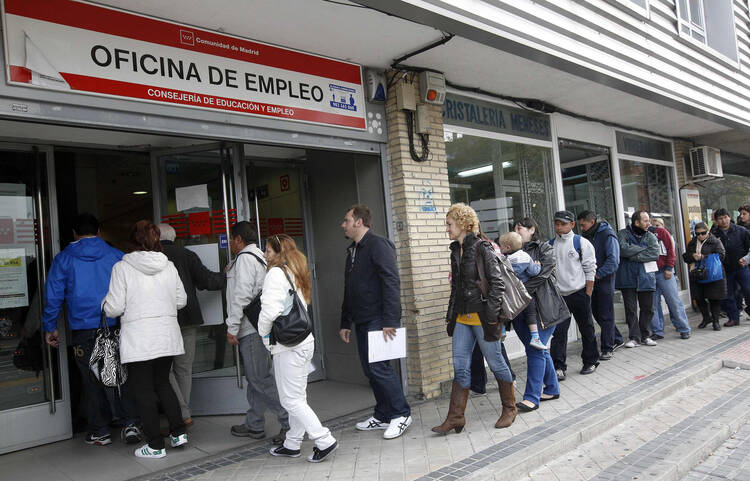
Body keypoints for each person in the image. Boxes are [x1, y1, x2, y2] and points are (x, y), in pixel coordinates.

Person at [43, 213, 142, 446]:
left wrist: (50, 327)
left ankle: (100, 430)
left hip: (83, 328)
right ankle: (131, 424)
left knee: (91, 379)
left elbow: (53, 295)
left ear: (74, 234)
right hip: (117, 324)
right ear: (99, 232)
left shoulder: (63, 259)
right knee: (122, 374)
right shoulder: (117, 255)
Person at [102, 221, 187, 459]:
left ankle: (156, 444)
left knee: (143, 392)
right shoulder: (168, 266)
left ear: (132, 241)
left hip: (139, 339)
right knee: (163, 383)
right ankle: (178, 432)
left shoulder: (122, 268)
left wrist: (104, 305)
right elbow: (181, 301)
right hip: (166, 334)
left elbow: (115, 307)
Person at [433, 203, 516, 434]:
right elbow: (456, 288)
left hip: (482, 318)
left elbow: (497, 284)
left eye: (449, 224)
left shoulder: (483, 248)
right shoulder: (455, 250)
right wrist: (451, 315)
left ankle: (509, 409)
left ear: (462, 223)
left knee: (496, 362)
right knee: (460, 367)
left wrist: (490, 317)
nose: (447, 229)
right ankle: (456, 418)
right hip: (462, 318)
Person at [260, 235, 338, 463]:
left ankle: (324, 440)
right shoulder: (295, 271)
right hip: (303, 341)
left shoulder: (276, 273)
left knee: (291, 400)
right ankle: (292, 443)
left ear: (278, 251)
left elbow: (269, 313)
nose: (264, 254)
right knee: (297, 397)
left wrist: (265, 337)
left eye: (267, 250)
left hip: (287, 346)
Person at [340, 204, 412, 439]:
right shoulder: (353, 250)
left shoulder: (378, 244)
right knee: (370, 370)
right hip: (362, 319)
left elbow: (391, 281)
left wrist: (390, 319)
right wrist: (345, 321)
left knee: (379, 368)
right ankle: (382, 415)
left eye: (346, 220)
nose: (344, 225)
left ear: (359, 222)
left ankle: (401, 414)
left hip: (379, 319)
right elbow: (349, 289)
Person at [225, 221, 289, 444]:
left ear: (239, 240)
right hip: (260, 327)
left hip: (250, 329)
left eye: (232, 239)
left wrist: (231, 327)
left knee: (260, 379)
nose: (231, 243)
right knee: (256, 378)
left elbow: (241, 296)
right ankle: (254, 424)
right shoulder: (260, 257)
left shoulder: (244, 259)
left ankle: (290, 423)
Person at [159, 224, 226, 426]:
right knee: (184, 368)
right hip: (188, 318)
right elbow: (207, 281)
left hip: (163, 320)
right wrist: (225, 274)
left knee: (164, 370)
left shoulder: (154, 256)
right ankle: (183, 413)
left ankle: (181, 411)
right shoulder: (186, 254)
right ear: (174, 236)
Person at [511, 217, 563, 409]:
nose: (516, 230)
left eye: (520, 227)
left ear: (532, 230)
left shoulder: (544, 249)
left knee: (535, 350)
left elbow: (543, 274)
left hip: (544, 309)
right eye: (515, 227)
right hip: (518, 310)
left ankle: (532, 398)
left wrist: (520, 289)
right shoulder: (510, 250)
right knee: (537, 349)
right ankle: (551, 388)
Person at [548, 211, 600, 376]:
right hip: (560, 296)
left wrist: (588, 292)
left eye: (563, 223)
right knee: (559, 333)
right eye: (557, 223)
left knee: (586, 329)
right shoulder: (549, 245)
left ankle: (591, 361)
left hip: (579, 292)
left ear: (572, 225)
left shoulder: (581, 242)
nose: (559, 227)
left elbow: (590, 268)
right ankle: (559, 367)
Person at [578, 211, 624, 360]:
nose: (582, 228)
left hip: (603, 280)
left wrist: (598, 274)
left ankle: (607, 348)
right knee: (596, 312)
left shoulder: (608, 235)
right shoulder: (587, 235)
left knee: (606, 314)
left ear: (591, 222)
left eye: (583, 225)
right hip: (591, 280)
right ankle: (616, 338)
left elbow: (613, 260)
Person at [616, 211, 659, 348]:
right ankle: (634, 337)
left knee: (648, 308)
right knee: (631, 310)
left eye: (649, 220)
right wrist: (642, 249)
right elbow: (622, 250)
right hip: (627, 277)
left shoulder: (650, 236)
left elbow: (654, 253)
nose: (649, 223)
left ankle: (645, 335)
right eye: (646, 221)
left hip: (646, 277)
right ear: (637, 222)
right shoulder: (623, 234)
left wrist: (633, 255)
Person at [498, 231, 544, 349]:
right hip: (524, 292)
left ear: (507, 247)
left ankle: (502, 330)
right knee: (531, 313)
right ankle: (535, 337)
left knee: (505, 309)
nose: (499, 248)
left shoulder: (503, 259)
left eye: (500, 246)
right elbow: (533, 272)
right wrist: (538, 265)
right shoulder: (525, 257)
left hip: (509, 292)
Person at [648, 218, 691, 340]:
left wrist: (669, 268)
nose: (655, 226)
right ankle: (657, 331)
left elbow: (671, 251)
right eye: (652, 224)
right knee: (653, 305)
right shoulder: (644, 234)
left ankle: (684, 328)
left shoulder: (663, 233)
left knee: (673, 301)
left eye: (658, 225)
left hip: (664, 272)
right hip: (650, 273)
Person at [710, 208, 750, 327]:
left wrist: (746, 259)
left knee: (748, 290)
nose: (724, 221)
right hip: (724, 269)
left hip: (741, 266)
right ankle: (733, 317)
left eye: (725, 217)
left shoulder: (741, 231)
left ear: (729, 217)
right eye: (720, 219)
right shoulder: (714, 234)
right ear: (716, 221)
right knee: (728, 294)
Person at [684, 222, 726, 331]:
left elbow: (721, 255)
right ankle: (706, 318)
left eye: (703, 233)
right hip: (697, 274)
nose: (700, 236)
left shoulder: (715, 241)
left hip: (713, 274)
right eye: (697, 234)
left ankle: (716, 321)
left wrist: (704, 256)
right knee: (699, 298)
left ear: (708, 231)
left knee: (714, 298)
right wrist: (693, 256)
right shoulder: (693, 243)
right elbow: (686, 257)